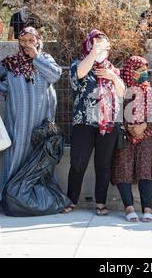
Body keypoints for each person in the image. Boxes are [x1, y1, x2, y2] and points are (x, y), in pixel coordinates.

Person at [0, 27, 66, 207]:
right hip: (18, 121)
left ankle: (42, 199)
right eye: (23, 41)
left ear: (38, 41)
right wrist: (6, 89)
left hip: (42, 123)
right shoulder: (11, 62)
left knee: (40, 159)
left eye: (31, 40)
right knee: (16, 155)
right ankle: (10, 198)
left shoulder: (45, 59)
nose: (26, 45)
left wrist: (36, 57)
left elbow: (55, 75)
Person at [67, 29, 126, 215]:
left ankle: (101, 202)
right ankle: (71, 199)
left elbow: (122, 92)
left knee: (103, 165)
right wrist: (94, 52)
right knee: (78, 163)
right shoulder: (79, 64)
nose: (101, 48)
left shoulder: (111, 68)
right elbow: (78, 77)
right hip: (84, 123)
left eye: (103, 45)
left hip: (107, 124)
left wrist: (113, 76)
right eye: (96, 43)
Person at [111, 56, 152, 222]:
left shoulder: (150, 91)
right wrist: (130, 127)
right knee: (124, 169)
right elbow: (115, 110)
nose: (145, 74)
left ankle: (147, 208)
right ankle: (128, 207)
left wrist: (144, 126)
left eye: (146, 70)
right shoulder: (121, 90)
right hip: (125, 136)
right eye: (140, 71)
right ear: (131, 72)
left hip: (146, 136)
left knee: (145, 170)